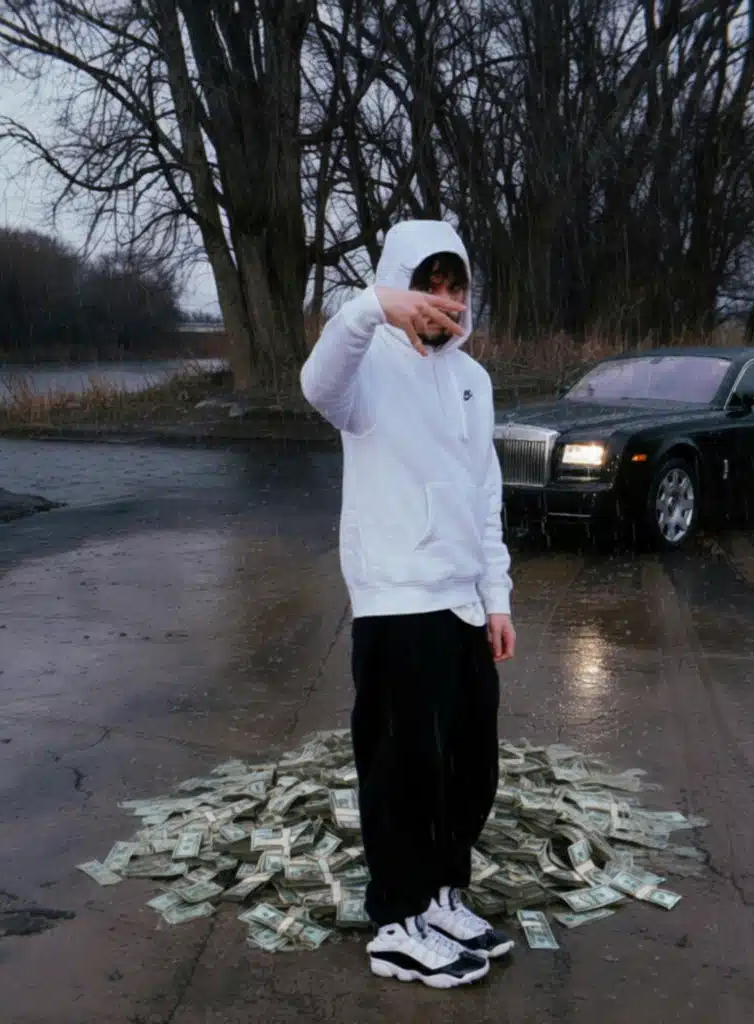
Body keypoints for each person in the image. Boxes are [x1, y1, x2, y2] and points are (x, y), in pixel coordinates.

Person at [300, 219, 517, 989]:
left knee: (470, 770)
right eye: (430, 285)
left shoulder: (473, 380)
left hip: (463, 605)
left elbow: (484, 495)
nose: (444, 301)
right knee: (400, 770)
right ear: (401, 284)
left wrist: (497, 597)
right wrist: (371, 308)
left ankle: (441, 897)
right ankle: (396, 923)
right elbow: (317, 385)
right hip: (395, 602)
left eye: (456, 287)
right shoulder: (368, 369)